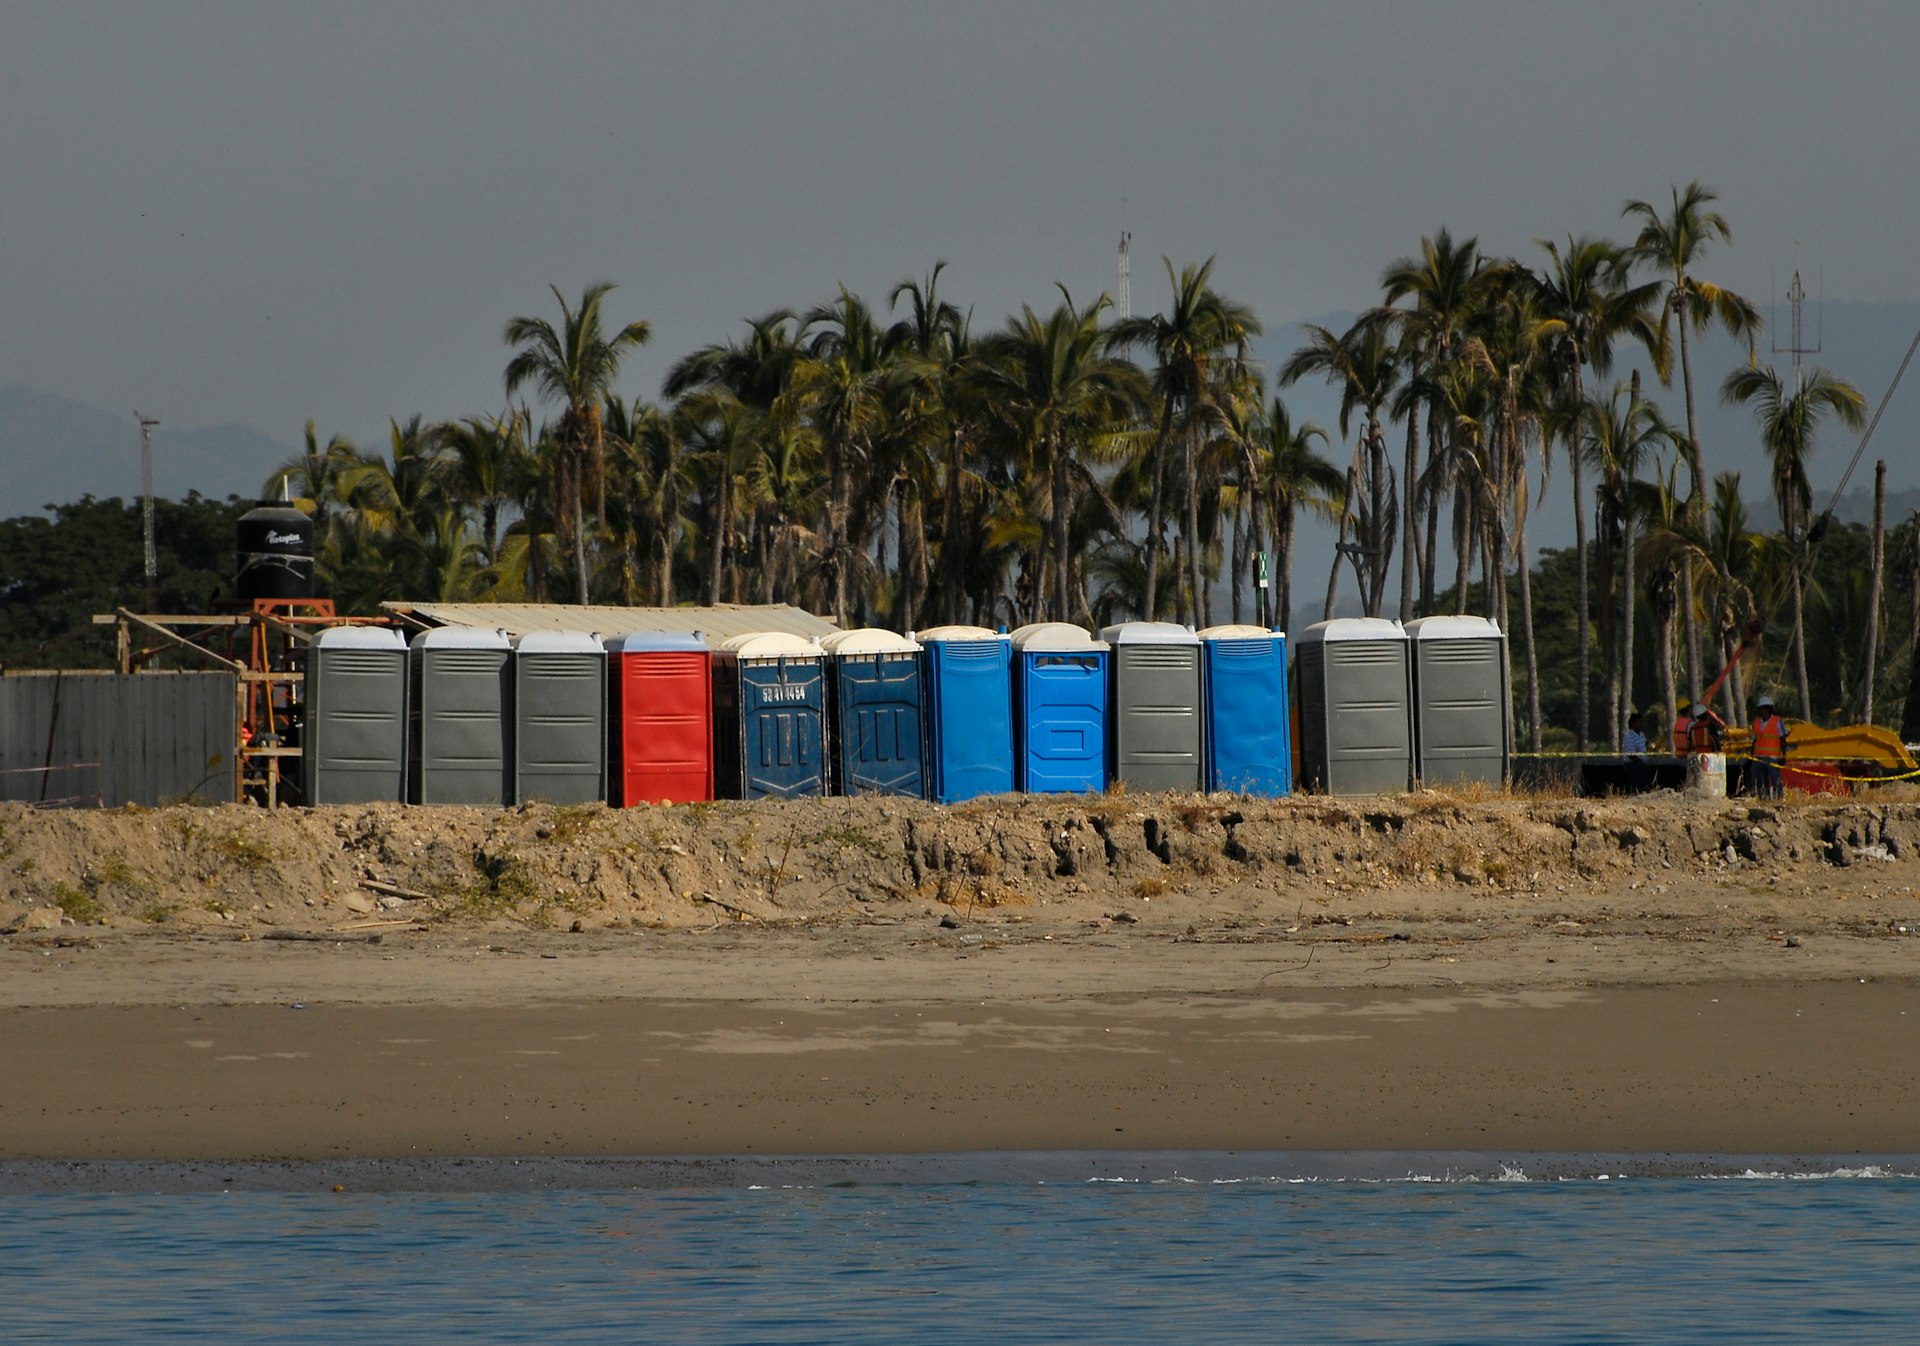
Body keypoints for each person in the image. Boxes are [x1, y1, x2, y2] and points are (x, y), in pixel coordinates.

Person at [1749, 694, 1790, 799]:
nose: (1759, 711)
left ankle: (1779, 799)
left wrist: (1783, 755)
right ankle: (1764, 799)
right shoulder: (1756, 722)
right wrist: (1752, 756)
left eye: (1761, 708)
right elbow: (1754, 741)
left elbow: (1783, 739)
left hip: (1772, 758)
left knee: (1775, 780)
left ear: (1767, 708)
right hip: (1759, 758)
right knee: (1761, 782)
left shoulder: (1777, 721)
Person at [1622, 711, 1651, 793]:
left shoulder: (1641, 735)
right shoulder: (1630, 737)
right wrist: (1641, 762)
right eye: (1639, 722)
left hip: (1641, 762)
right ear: (1632, 724)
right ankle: (1638, 790)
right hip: (1631, 764)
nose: (1641, 724)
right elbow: (1631, 754)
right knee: (1641, 769)